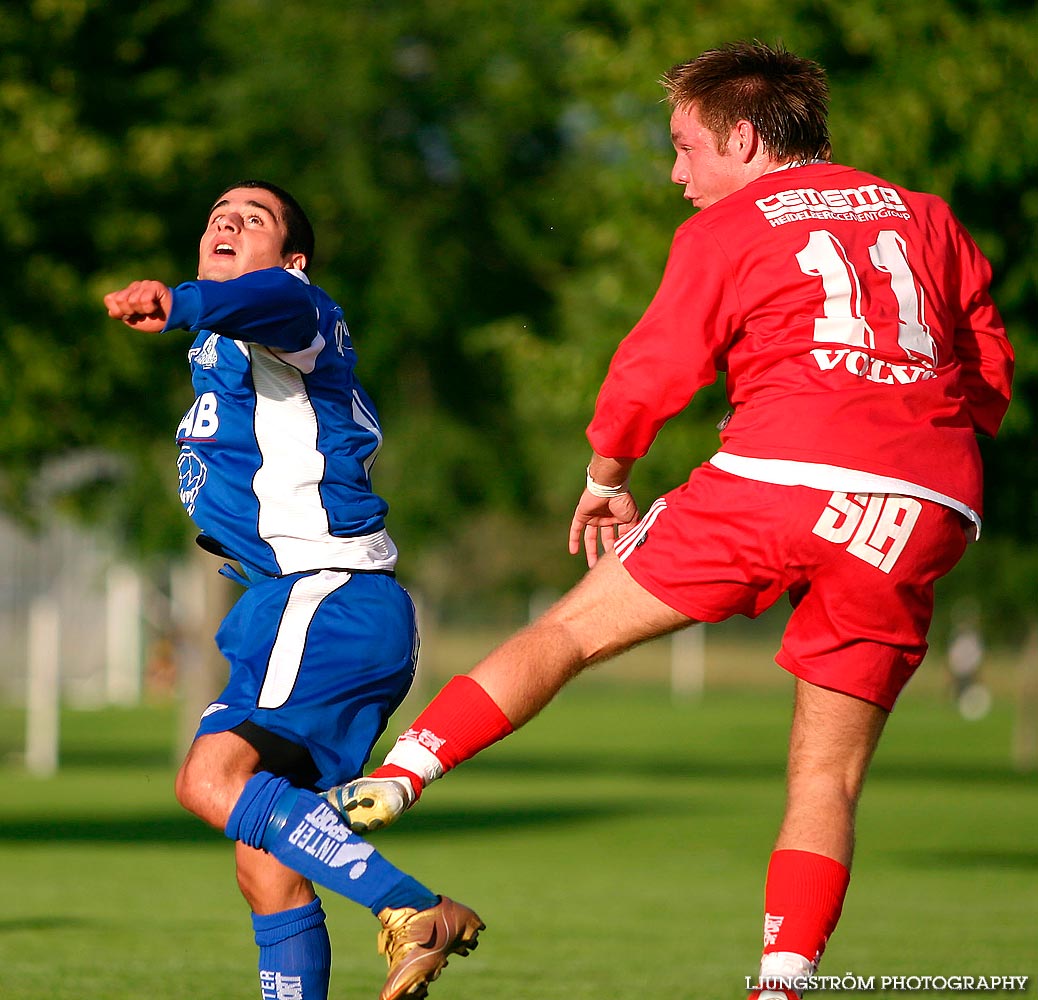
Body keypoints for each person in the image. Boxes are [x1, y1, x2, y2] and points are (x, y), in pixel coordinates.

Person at [322, 42, 1014, 1000]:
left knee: (568, 631)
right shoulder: (928, 215)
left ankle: (394, 779)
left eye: (685, 146)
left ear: (741, 137)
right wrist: (919, 449)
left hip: (778, 476)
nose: (677, 172)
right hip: (926, 505)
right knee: (827, 781)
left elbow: (654, 367)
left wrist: (609, 472)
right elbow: (986, 366)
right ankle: (781, 981)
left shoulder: (730, 228)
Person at [103, 181, 483, 1000]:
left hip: (328, 597)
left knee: (210, 782)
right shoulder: (227, 342)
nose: (228, 223)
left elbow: (272, 300)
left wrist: (178, 301)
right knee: (264, 864)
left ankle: (419, 911)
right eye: (216, 217)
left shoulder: (295, 312)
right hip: (298, 604)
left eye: (254, 218)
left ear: (295, 257)